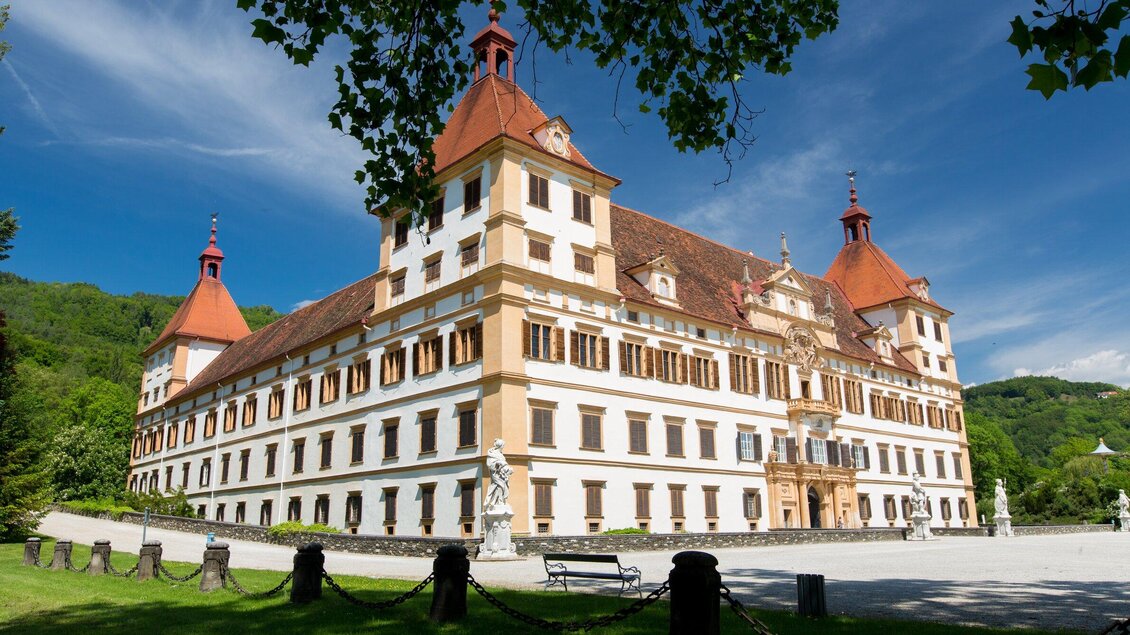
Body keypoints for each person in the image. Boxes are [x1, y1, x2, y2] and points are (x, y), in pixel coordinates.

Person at [484, 438, 510, 509]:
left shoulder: (501, 454)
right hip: (495, 473)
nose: (503, 447)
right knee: (499, 485)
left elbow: (504, 463)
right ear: (500, 445)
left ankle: (498, 501)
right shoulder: (492, 454)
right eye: (503, 445)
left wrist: (507, 468)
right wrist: (497, 463)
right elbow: (489, 464)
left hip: (502, 474)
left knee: (501, 487)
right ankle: (494, 502)